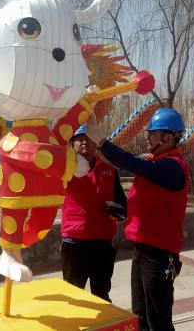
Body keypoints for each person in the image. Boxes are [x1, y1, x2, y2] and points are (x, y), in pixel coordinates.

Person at [85, 108, 189, 331]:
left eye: (152, 133)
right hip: (142, 251)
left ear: (168, 137)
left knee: (158, 320)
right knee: (140, 314)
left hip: (159, 255)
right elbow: (148, 200)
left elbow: (133, 163)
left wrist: (102, 142)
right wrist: (123, 210)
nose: (147, 137)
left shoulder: (173, 166)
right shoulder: (155, 162)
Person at [61, 124, 127, 302]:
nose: (84, 142)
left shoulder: (109, 170)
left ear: (95, 142)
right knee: (73, 298)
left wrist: (118, 210)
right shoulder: (64, 169)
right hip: (74, 241)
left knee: (101, 295)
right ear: (72, 144)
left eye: (88, 138)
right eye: (79, 139)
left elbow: (122, 203)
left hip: (102, 243)